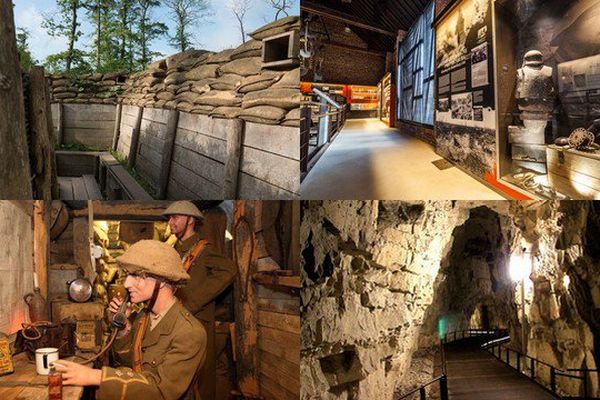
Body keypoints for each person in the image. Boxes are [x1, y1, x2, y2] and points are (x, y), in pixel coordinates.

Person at [53, 240, 206, 400]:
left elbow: (161, 391)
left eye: (136, 276)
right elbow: (130, 365)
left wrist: (97, 377)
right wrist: (124, 328)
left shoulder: (190, 333)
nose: (127, 283)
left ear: (161, 281)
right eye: (128, 275)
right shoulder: (143, 317)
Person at [163, 201, 237, 400]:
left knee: (203, 379)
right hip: (176, 320)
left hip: (198, 320)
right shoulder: (174, 251)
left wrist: (195, 301)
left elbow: (229, 270)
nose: (171, 222)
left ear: (190, 221)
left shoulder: (203, 250)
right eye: (169, 218)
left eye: (175, 217)